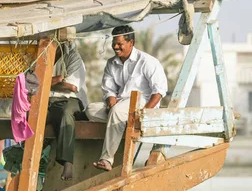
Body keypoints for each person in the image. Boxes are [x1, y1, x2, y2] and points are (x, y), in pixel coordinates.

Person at [86, 25, 168, 171]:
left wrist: (144, 114)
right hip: (121, 104)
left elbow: (159, 91)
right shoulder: (111, 63)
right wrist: (110, 99)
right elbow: (108, 89)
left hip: (143, 103)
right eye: (114, 43)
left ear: (131, 43)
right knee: (90, 110)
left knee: (117, 112)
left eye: (119, 44)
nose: (115, 47)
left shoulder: (147, 61)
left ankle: (106, 159)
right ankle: (120, 122)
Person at [47, 41, 89, 181]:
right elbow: (30, 82)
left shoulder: (73, 57)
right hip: (47, 101)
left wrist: (45, 82)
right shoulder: (40, 56)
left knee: (66, 114)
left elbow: (71, 87)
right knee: (31, 115)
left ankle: (68, 163)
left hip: (71, 99)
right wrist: (56, 80)